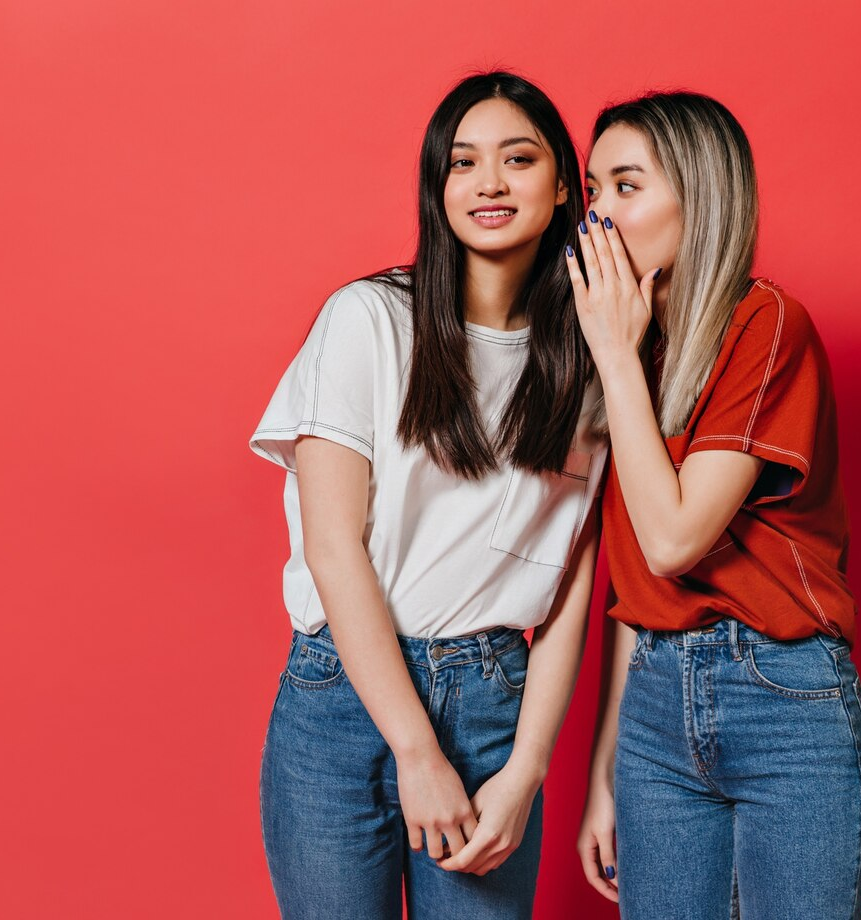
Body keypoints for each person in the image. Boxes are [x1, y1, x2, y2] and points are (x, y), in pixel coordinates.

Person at [248, 71, 606, 920]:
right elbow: (334, 549)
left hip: (493, 704)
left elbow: (572, 577)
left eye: (518, 160)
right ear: (436, 187)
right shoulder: (367, 320)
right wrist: (415, 749)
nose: (488, 183)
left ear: (562, 186)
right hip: (341, 699)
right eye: (462, 163)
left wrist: (526, 769)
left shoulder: (592, 363)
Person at [569, 91, 861, 919]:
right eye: (593, 190)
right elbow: (635, 585)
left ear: (698, 198)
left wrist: (613, 356)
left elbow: (674, 539)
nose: (596, 216)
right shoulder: (632, 353)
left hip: (782, 701)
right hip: (653, 714)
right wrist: (606, 770)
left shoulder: (765, 323)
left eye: (625, 187)